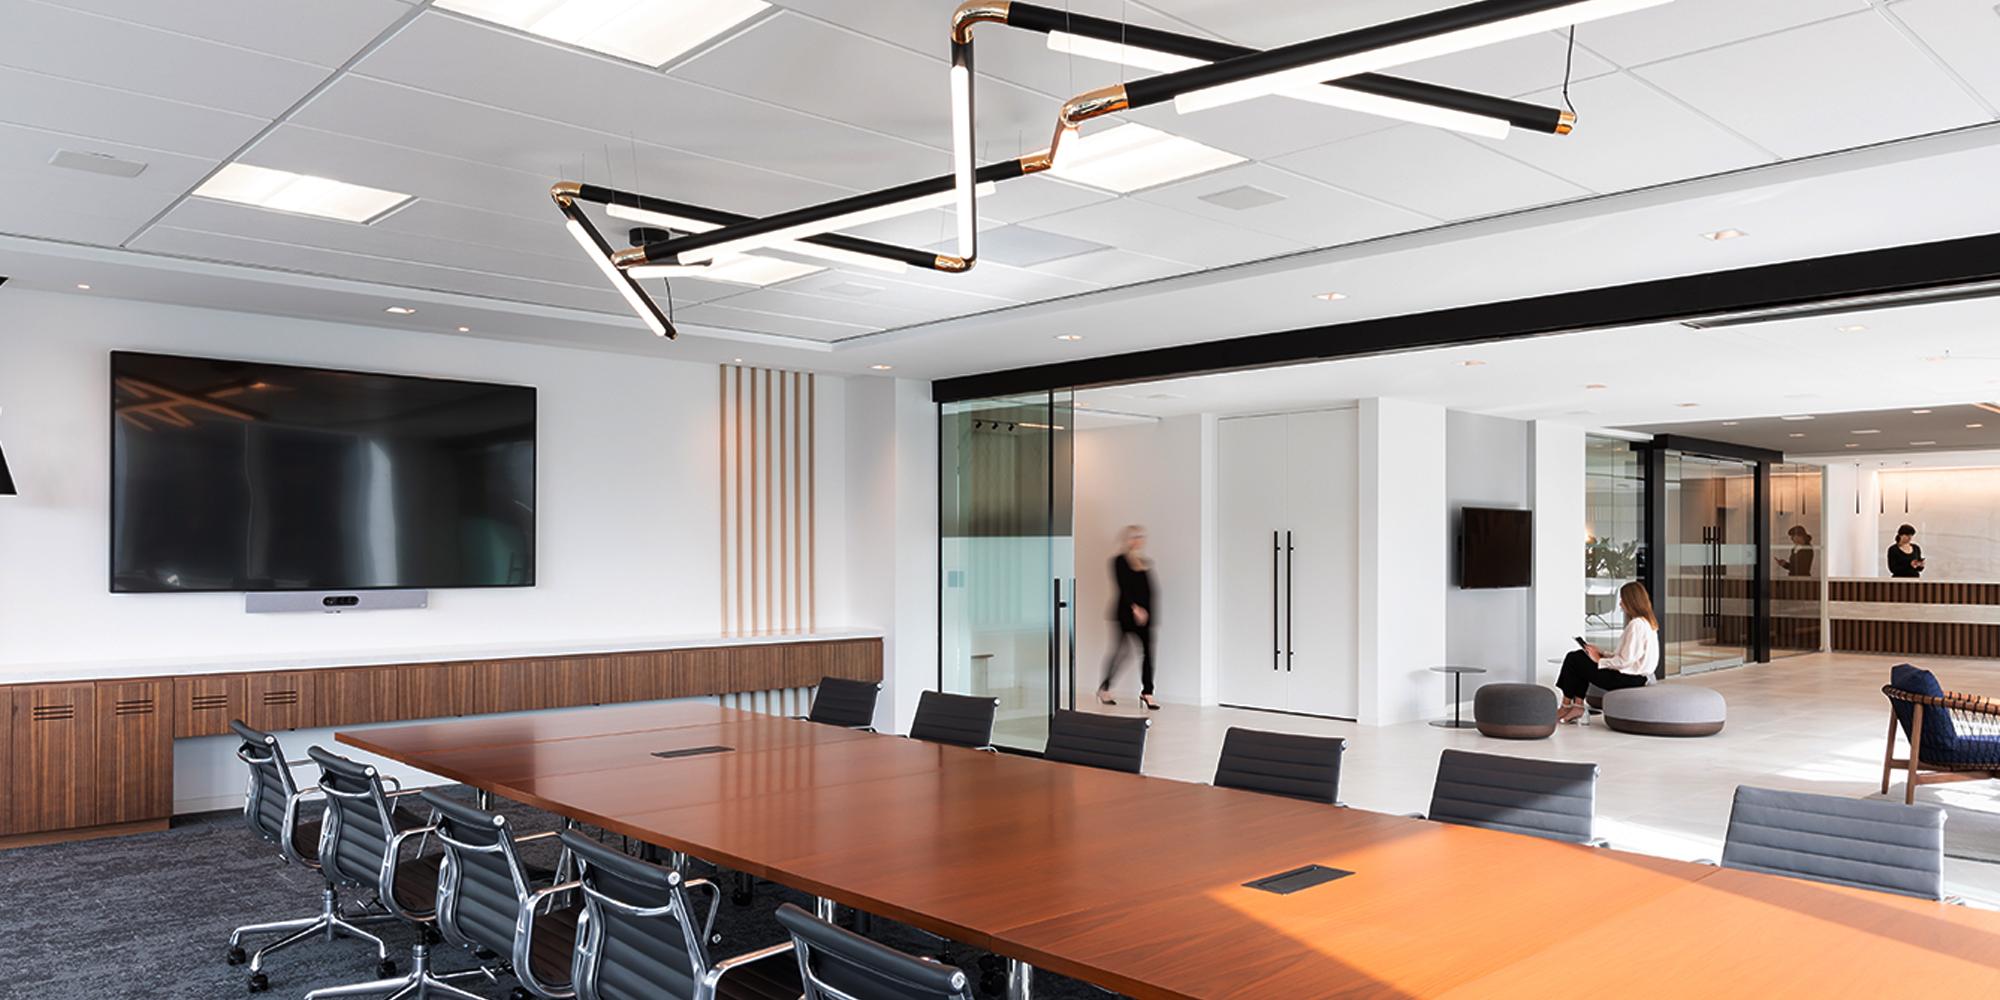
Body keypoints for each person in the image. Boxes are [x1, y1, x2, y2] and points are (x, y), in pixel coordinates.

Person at [1555, 581, 1659, 724]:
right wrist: (1601, 652)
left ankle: (1566, 706)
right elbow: (1629, 657)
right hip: (1636, 677)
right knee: (1580, 658)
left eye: (1622, 600)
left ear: (1631, 601)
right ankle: (1576, 705)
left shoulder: (1636, 625)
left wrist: (1599, 660)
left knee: (1574, 659)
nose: (1620, 604)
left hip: (1628, 679)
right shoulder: (1647, 623)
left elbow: (1624, 662)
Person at [1098, 524, 1159, 711]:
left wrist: (1148, 612)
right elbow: (1123, 587)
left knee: (1148, 653)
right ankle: (1105, 688)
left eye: (1141, 536)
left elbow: (1149, 590)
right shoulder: (1119, 561)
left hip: (1146, 616)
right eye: (1134, 536)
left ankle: (1147, 692)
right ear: (1127, 539)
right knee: (1121, 652)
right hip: (1126, 614)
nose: (1138, 540)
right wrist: (1136, 608)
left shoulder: (1145, 562)